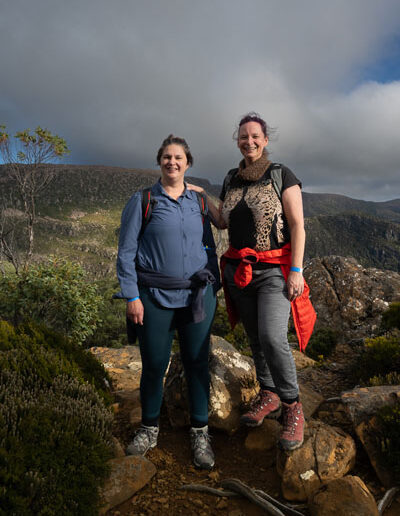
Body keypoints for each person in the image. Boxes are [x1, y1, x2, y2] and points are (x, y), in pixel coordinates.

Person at [188, 113, 316, 451]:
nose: (249, 141)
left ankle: (292, 405)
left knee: (273, 337)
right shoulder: (231, 178)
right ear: (238, 140)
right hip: (238, 271)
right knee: (256, 339)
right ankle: (269, 393)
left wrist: (296, 270)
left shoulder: (281, 175)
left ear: (265, 139)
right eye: (243, 137)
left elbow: (298, 225)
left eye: (255, 136)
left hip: (274, 269)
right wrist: (201, 192)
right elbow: (223, 222)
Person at [116, 134, 217, 469]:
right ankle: (149, 428)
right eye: (167, 157)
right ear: (159, 161)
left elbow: (217, 233)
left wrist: (206, 194)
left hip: (196, 297)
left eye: (179, 158)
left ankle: (200, 431)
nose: (172, 163)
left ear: (187, 163)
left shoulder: (198, 202)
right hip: (153, 296)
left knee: (197, 363)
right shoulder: (143, 200)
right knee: (155, 365)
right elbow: (126, 253)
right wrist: (132, 296)